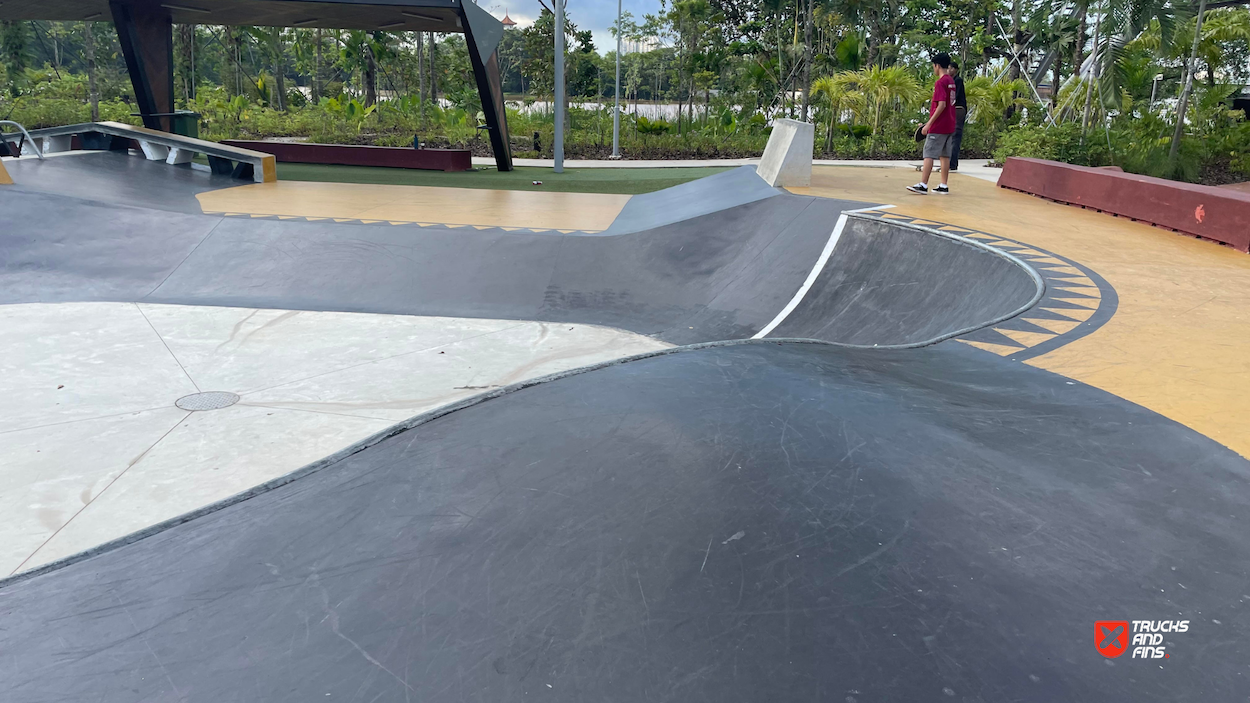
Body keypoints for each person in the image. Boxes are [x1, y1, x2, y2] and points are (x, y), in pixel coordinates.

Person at [907, 53, 957, 195]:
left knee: (928, 153)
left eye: (933, 66)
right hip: (950, 125)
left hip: (939, 126)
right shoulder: (951, 82)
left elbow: (941, 105)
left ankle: (923, 184)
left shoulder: (940, 83)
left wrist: (928, 124)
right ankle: (943, 185)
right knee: (945, 155)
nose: (933, 69)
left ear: (937, 65)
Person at [948, 61, 968, 171]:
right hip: (952, 110)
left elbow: (954, 96)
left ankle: (952, 163)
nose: (949, 70)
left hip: (958, 109)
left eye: (951, 68)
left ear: (955, 70)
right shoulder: (949, 81)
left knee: (955, 135)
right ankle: (950, 162)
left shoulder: (957, 80)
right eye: (948, 68)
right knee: (950, 136)